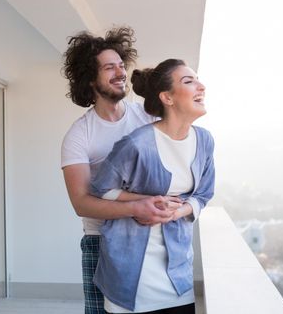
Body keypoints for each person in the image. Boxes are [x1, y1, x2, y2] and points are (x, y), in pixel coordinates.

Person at [61, 27, 183, 314]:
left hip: (150, 239)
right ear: (91, 80)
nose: (120, 73)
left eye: (120, 65)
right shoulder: (80, 135)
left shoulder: (147, 116)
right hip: (100, 244)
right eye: (109, 68)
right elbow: (81, 203)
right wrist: (136, 207)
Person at [90, 59, 215, 314]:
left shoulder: (204, 141)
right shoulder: (136, 144)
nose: (201, 86)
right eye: (189, 81)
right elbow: (101, 190)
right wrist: (140, 203)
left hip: (178, 276)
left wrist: (177, 211)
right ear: (167, 98)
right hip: (132, 278)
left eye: (197, 79)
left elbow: (203, 194)